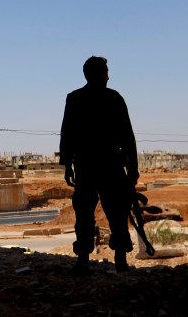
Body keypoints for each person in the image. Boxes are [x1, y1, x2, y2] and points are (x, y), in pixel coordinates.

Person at [59, 56, 139, 274]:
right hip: (108, 166)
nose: (107, 75)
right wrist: (133, 168)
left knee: (90, 215)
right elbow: (127, 137)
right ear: (97, 74)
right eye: (105, 71)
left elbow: (67, 134)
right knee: (115, 214)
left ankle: (85, 261)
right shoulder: (113, 98)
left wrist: (67, 165)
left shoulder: (76, 98)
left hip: (88, 166)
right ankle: (118, 261)